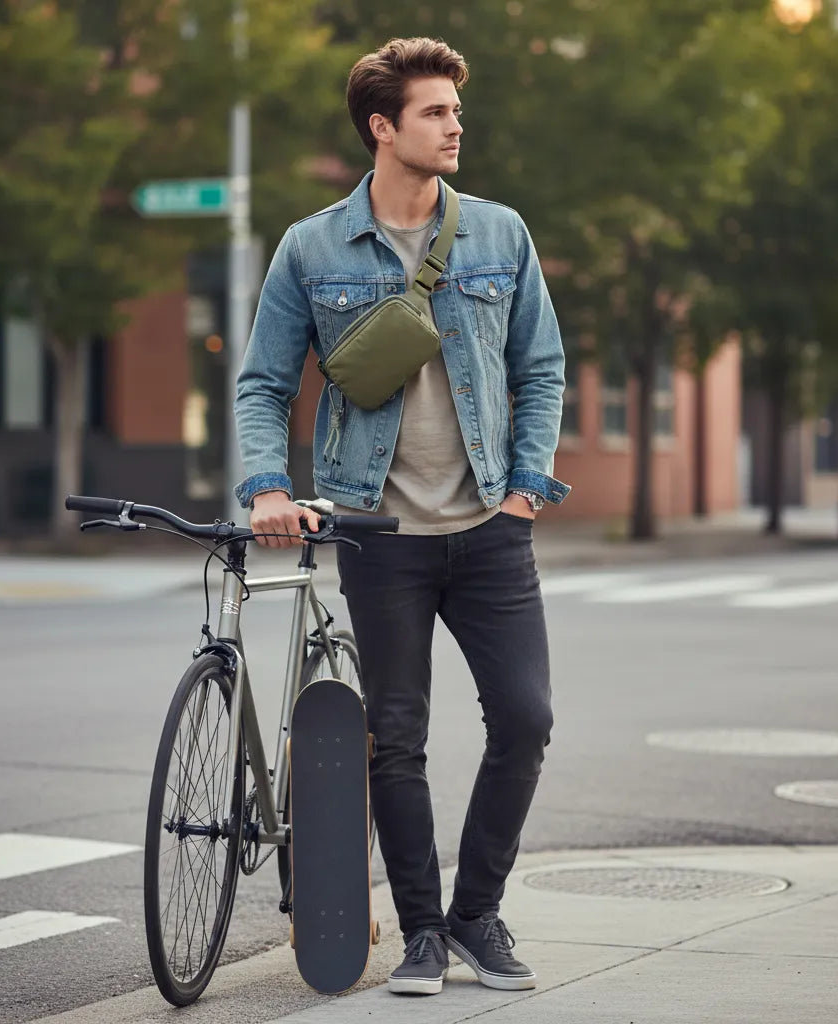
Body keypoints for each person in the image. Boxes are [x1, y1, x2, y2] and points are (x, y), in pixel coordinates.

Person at [234, 36, 568, 997]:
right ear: (383, 128)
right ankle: (422, 930)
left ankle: (477, 917)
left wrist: (524, 490)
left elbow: (539, 368)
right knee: (397, 733)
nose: (456, 124)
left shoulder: (500, 234)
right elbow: (263, 382)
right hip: (377, 532)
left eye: (456, 111)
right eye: (435, 111)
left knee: (526, 719)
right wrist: (267, 484)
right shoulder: (312, 246)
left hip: (490, 531)